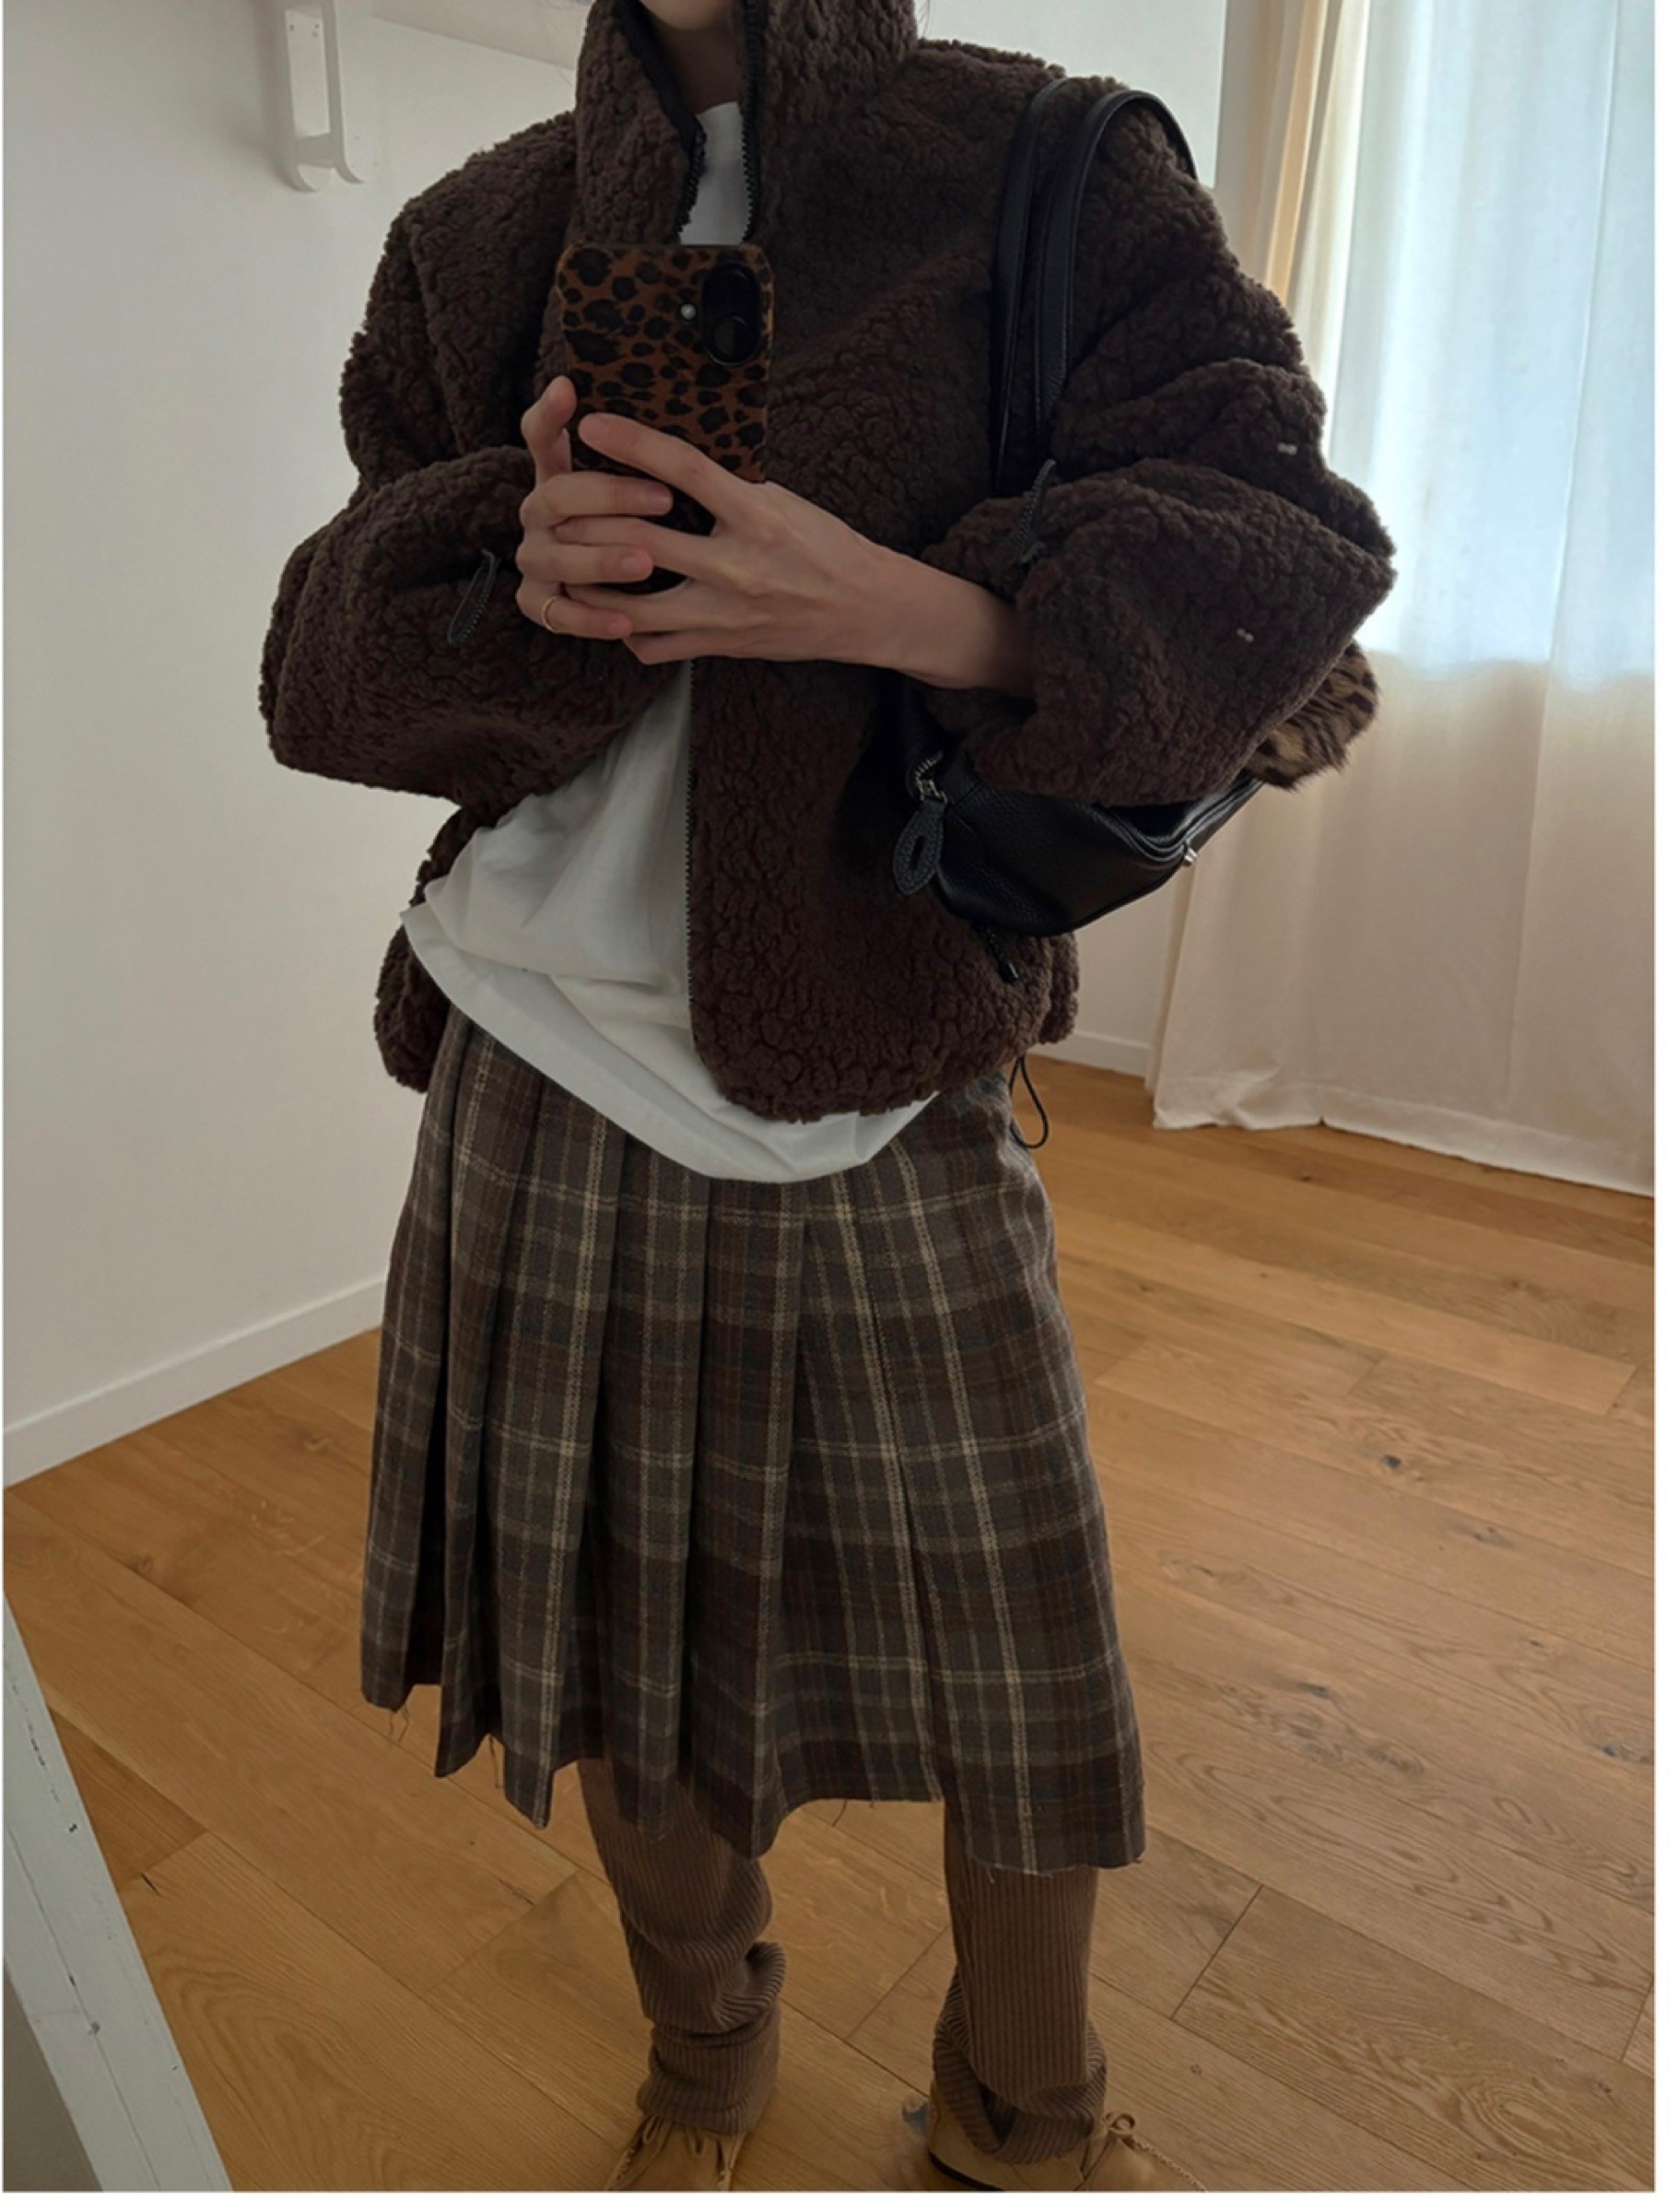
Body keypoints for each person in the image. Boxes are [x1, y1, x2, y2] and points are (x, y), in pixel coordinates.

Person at [260, 0, 1394, 2189]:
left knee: (1020, 1668)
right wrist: (514, 570)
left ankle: (1022, 2104)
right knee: (622, 1666)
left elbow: (1287, 594)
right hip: (527, 1063)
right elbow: (329, 669)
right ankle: (705, 2053)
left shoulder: (1049, 164)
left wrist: (915, 611)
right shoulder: (476, 237)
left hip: (880, 1053)